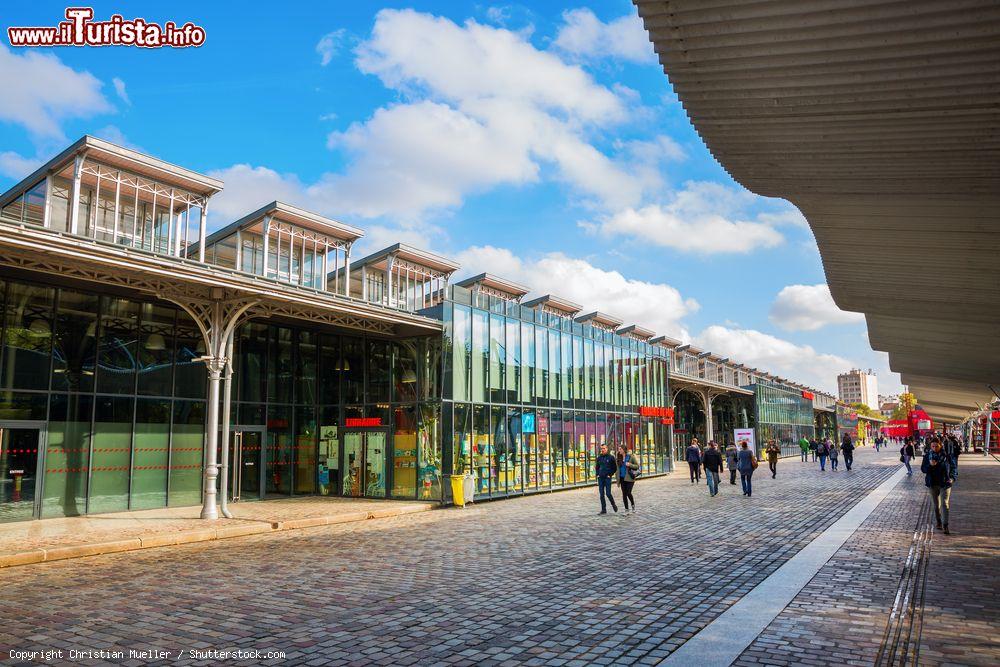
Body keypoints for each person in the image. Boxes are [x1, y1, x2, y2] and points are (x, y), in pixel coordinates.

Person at [921, 438, 954, 534]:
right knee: (936, 506)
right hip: (932, 483)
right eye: (933, 446)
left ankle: (945, 525)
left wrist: (952, 478)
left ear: (941, 445)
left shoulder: (947, 456)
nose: (935, 448)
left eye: (936, 446)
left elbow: (953, 467)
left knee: (944, 504)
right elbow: (923, 469)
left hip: (945, 483)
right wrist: (930, 465)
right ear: (930, 447)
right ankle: (938, 521)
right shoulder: (927, 456)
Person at [595, 444, 619, 514]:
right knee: (601, 494)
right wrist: (597, 474)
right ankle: (603, 509)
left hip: (607, 478)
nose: (603, 450)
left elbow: (614, 468)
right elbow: (597, 467)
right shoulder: (599, 458)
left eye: (604, 448)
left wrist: (610, 474)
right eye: (602, 448)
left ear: (607, 449)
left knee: (608, 493)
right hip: (601, 478)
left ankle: (613, 504)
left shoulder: (611, 457)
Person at [617, 444, 640, 514]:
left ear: (624, 450)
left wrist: (629, 464)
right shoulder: (618, 458)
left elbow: (637, 466)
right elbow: (617, 468)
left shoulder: (630, 457)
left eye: (620, 449)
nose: (619, 450)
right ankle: (626, 510)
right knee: (624, 494)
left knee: (628, 493)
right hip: (622, 478)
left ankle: (633, 505)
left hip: (630, 478)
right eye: (619, 449)